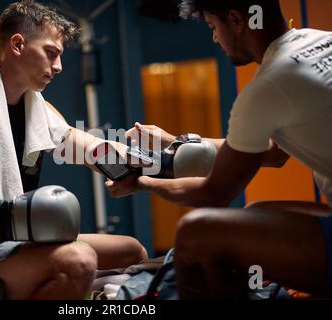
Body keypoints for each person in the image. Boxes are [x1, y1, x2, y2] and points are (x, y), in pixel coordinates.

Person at [0, 0, 147, 300]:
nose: (59, 67)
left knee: (131, 251)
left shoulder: (39, 110)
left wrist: (146, 164)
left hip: (16, 244)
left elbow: (90, 148)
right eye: (51, 53)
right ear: (17, 44)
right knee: (77, 260)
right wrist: (15, 219)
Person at [106, 0, 332, 298]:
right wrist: (174, 139)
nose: (214, 37)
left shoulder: (269, 86)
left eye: (214, 27)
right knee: (259, 213)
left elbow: (213, 193)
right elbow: (275, 153)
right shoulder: (323, 40)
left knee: (197, 230)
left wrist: (143, 182)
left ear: (237, 20)